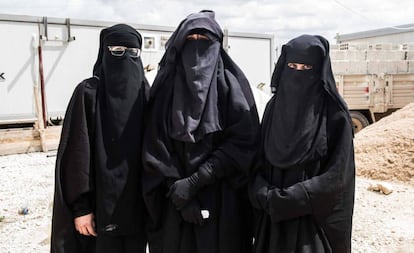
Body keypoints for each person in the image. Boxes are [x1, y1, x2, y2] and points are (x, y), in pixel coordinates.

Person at [141, 10, 260, 253]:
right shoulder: (165, 87)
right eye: (190, 40)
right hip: (173, 201)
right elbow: (154, 143)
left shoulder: (232, 86)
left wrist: (198, 180)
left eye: (204, 41)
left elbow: (244, 141)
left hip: (222, 200)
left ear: (218, 45)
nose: (197, 49)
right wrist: (179, 191)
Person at [249, 34, 355, 253]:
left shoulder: (335, 114)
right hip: (272, 220)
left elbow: (338, 175)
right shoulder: (273, 108)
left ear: (319, 71)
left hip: (311, 222)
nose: (297, 73)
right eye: (292, 65)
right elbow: (258, 157)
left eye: (306, 67)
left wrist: (292, 199)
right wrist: (262, 192)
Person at [50, 24, 149, 253]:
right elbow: (77, 155)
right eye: (116, 51)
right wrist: (81, 208)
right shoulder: (88, 93)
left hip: (137, 208)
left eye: (133, 53)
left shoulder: (145, 93)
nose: (126, 57)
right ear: (104, 52)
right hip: (98, 210)